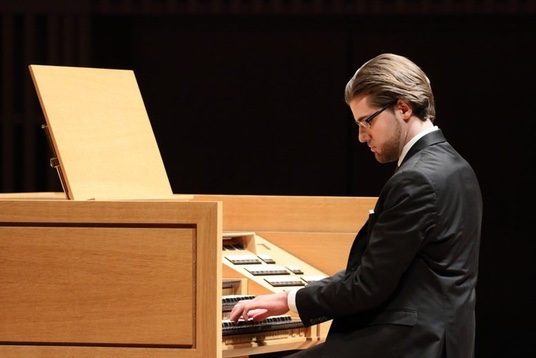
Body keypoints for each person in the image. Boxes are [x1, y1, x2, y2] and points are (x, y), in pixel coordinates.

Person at [229, 53, 483, 358]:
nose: (362, 137)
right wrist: (290, 295)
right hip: (440, 340)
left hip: (405, 344)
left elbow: (367, 286)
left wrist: (289, 302)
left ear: (403, 107)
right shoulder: (457, 167)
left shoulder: (416, 178)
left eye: (367, 121)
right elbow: (378, 272)